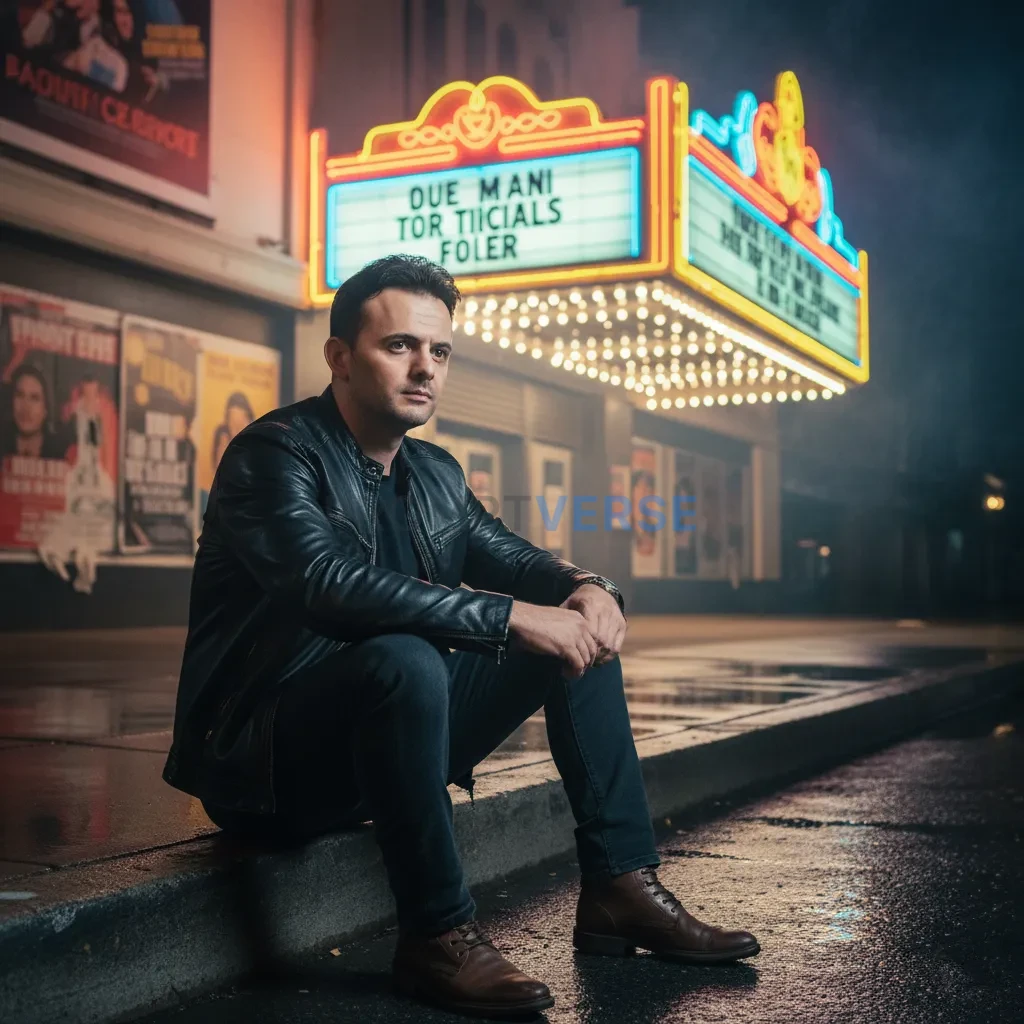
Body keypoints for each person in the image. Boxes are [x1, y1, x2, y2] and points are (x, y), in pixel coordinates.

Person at [162, 255, 758, 1018]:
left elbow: (509, 555)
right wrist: (509, 616)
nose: (425, 369)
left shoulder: (435, 473)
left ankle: (621, 888)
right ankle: (437, 936)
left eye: (439, 352)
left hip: (386, 746)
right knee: (406, 660)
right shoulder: (272, 456)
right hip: (269, 765)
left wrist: (587, 588)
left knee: (574, 639)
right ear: (340, 358)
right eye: (399, 346)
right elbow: (327, 585)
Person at [2, 363, 66, 460]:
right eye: (20, 395)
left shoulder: (60, 453)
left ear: (46, 409)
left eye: (34, 398)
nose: (25, 407)